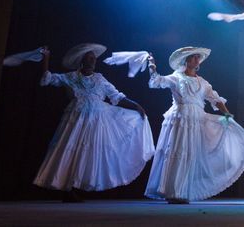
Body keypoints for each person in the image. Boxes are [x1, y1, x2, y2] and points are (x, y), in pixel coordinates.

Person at [34, 44, 154, 202]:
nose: (92, 61)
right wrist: (46, 59)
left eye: (94, 58)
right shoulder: (71, 77)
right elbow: (47, 79)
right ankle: (67, 189)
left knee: (87, 154)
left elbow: (116, 96)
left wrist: (136, 105)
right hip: (76, 119)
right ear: (82, 60)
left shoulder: (99, 78)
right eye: (89, 58)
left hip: (97, 119)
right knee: (71, 151)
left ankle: (75, 187)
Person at [144, 47, 244, 204]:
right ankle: (173, 192)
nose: (197, 60)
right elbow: (158, 81)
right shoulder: (177, 77)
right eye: (194, 57)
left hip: (197, 120)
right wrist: (152, 67)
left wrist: (227, 114)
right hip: (181, 119)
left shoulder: (202, 83)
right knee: (179, 153)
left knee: (191, 155)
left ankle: (182, 191)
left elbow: (215, 99)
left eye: (198, 58)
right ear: (186, 60)